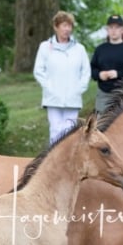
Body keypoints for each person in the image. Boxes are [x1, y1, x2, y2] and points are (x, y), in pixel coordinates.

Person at [34, 10, 91, 144]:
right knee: (55, 131)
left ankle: (69, 161)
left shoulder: (79, 49)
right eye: (64, 25)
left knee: (70, 131)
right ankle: (53, 161)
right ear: (56, 27)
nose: (67, 29)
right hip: (53, 98)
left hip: (73, 98)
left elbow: (86, 72)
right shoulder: (45, 47)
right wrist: (49, 87)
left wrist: (79, 89)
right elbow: (39, 71)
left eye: (69, 26)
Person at [90, 14, 123, 113]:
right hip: (103, 95)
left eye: (117, 27)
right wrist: (100, 75)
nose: (113, 30)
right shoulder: (100, 49)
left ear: (122, 30)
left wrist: (118, 74)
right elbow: (92, 69)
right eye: (111, 27)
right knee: (101, 126)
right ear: (107, 30)